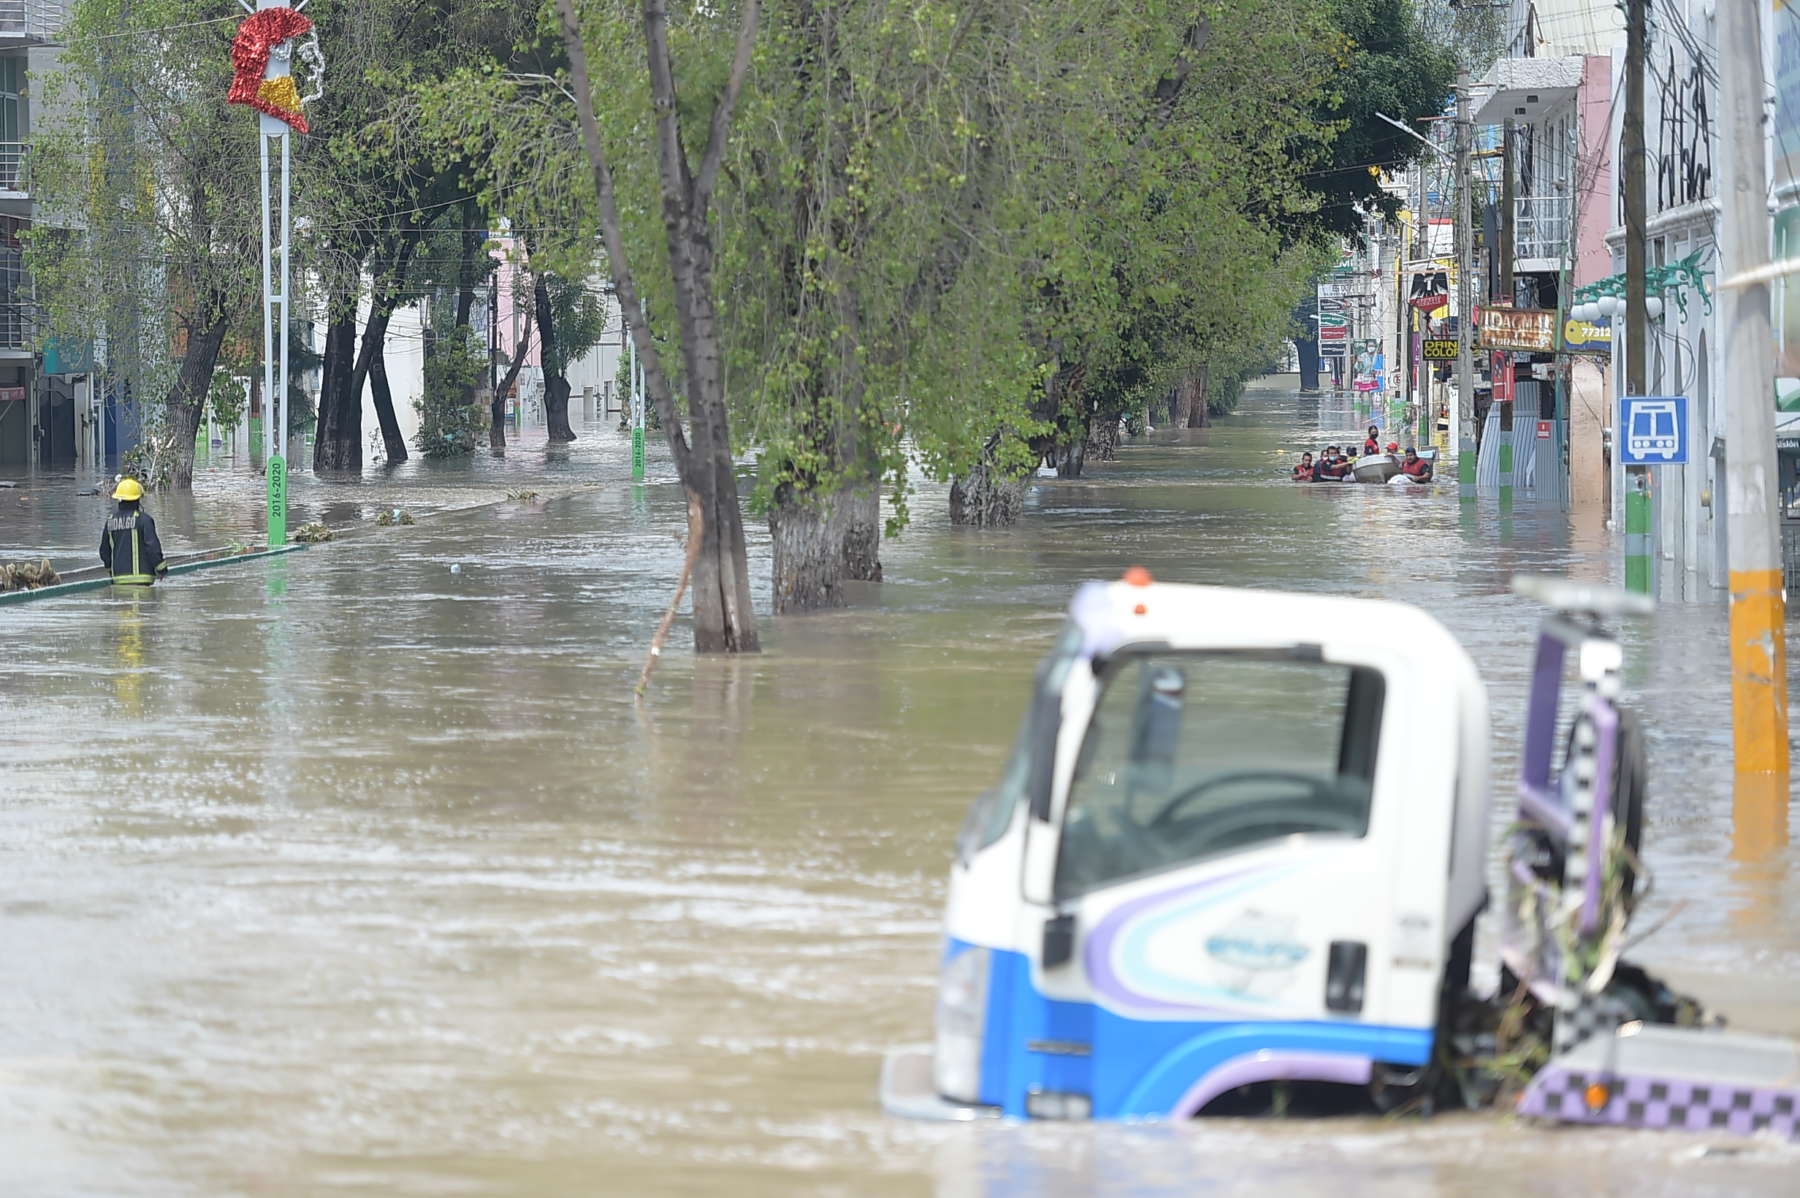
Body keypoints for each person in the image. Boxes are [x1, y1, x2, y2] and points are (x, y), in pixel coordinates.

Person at [99, 478, 168, 585]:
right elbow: (153, 548)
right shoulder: (144, 520)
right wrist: (162, 569)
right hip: (143, 581)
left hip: (118, 581)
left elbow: (104, 551)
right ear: (138, 499)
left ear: (119, 499)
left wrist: (109, 568)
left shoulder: (110, 521)